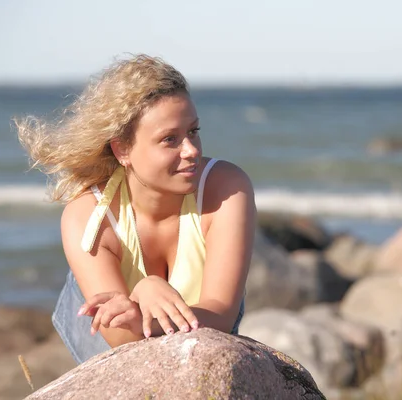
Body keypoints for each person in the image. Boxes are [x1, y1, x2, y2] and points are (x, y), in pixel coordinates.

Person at [16, 54, 256, 364]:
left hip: (203, 328)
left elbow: (220, 316)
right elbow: (122, 343)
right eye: (170, 139)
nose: (192, 150)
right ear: (122, 149)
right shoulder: (88, 219)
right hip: (106, 346)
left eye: (193, 131)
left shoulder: (227, 188)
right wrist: (140, 299)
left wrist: (147, 296)